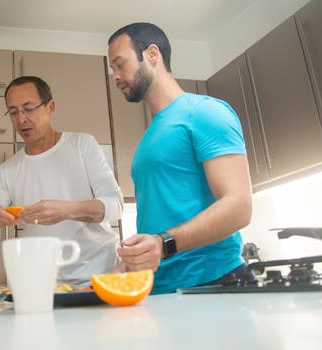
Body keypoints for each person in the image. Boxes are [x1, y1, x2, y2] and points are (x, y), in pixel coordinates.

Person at [107, 23, 252, 294]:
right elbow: (160, 221)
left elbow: (239, 206)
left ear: (152, 54)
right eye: (112, 69)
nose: (115, 76)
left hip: (212, 285)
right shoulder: (149, 138)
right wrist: (129, 263)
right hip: (161, 290)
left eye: (119, 64)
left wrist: (163, 244)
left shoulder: (205, 112)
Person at [0, 76, 123, 288]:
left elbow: (115, 205)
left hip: (102, 277)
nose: (21, 119)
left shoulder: (82, 145)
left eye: (28, 108)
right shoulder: (8, 170)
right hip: (46, 285)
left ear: (50, 107)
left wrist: (66, 210)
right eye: (13, 112)